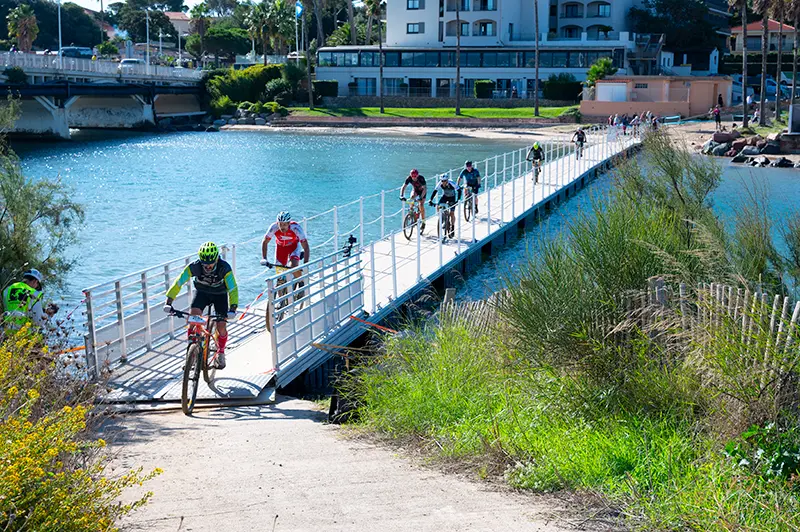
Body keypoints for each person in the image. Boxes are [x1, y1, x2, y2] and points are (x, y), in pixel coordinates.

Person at [164, 242, 238, 369]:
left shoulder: (224, 268)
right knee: (193, 321)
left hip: (220, 294)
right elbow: (178, 283)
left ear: (216, 259)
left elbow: (233, 289)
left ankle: (220, 352)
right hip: (202, 293)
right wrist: (169, 302)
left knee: (221, 326)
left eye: (210, 263)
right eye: (205, 264)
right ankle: (191, 354)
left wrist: (233, 308)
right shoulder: (194, 267)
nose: (208, 266)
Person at [261, 211, 311, 282]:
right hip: (281, 248)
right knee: (280, 276)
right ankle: (281, 291)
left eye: (284, 224)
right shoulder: (274, 227)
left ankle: (302, 281)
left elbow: (306, 247)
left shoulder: (296, 228)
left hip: (293, 247)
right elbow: (265, 242)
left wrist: (305, 264)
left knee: (293, 267)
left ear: (288, 223)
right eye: (280, 224)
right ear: (277, 223)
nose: (282, 227)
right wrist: (264, 258)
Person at [429, 174, 458, 239]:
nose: (443, 182)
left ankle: (452, 227)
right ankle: (442, 217)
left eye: (444, 181)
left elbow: (459, 190)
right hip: (445, 196)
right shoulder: (440, 183)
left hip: (452, 197)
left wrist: (457, 200)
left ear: (447, 180)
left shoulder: (451, 183)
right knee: (438, 206)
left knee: (452, 213)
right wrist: (430, 200)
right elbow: (435, 191)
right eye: (442, 181)